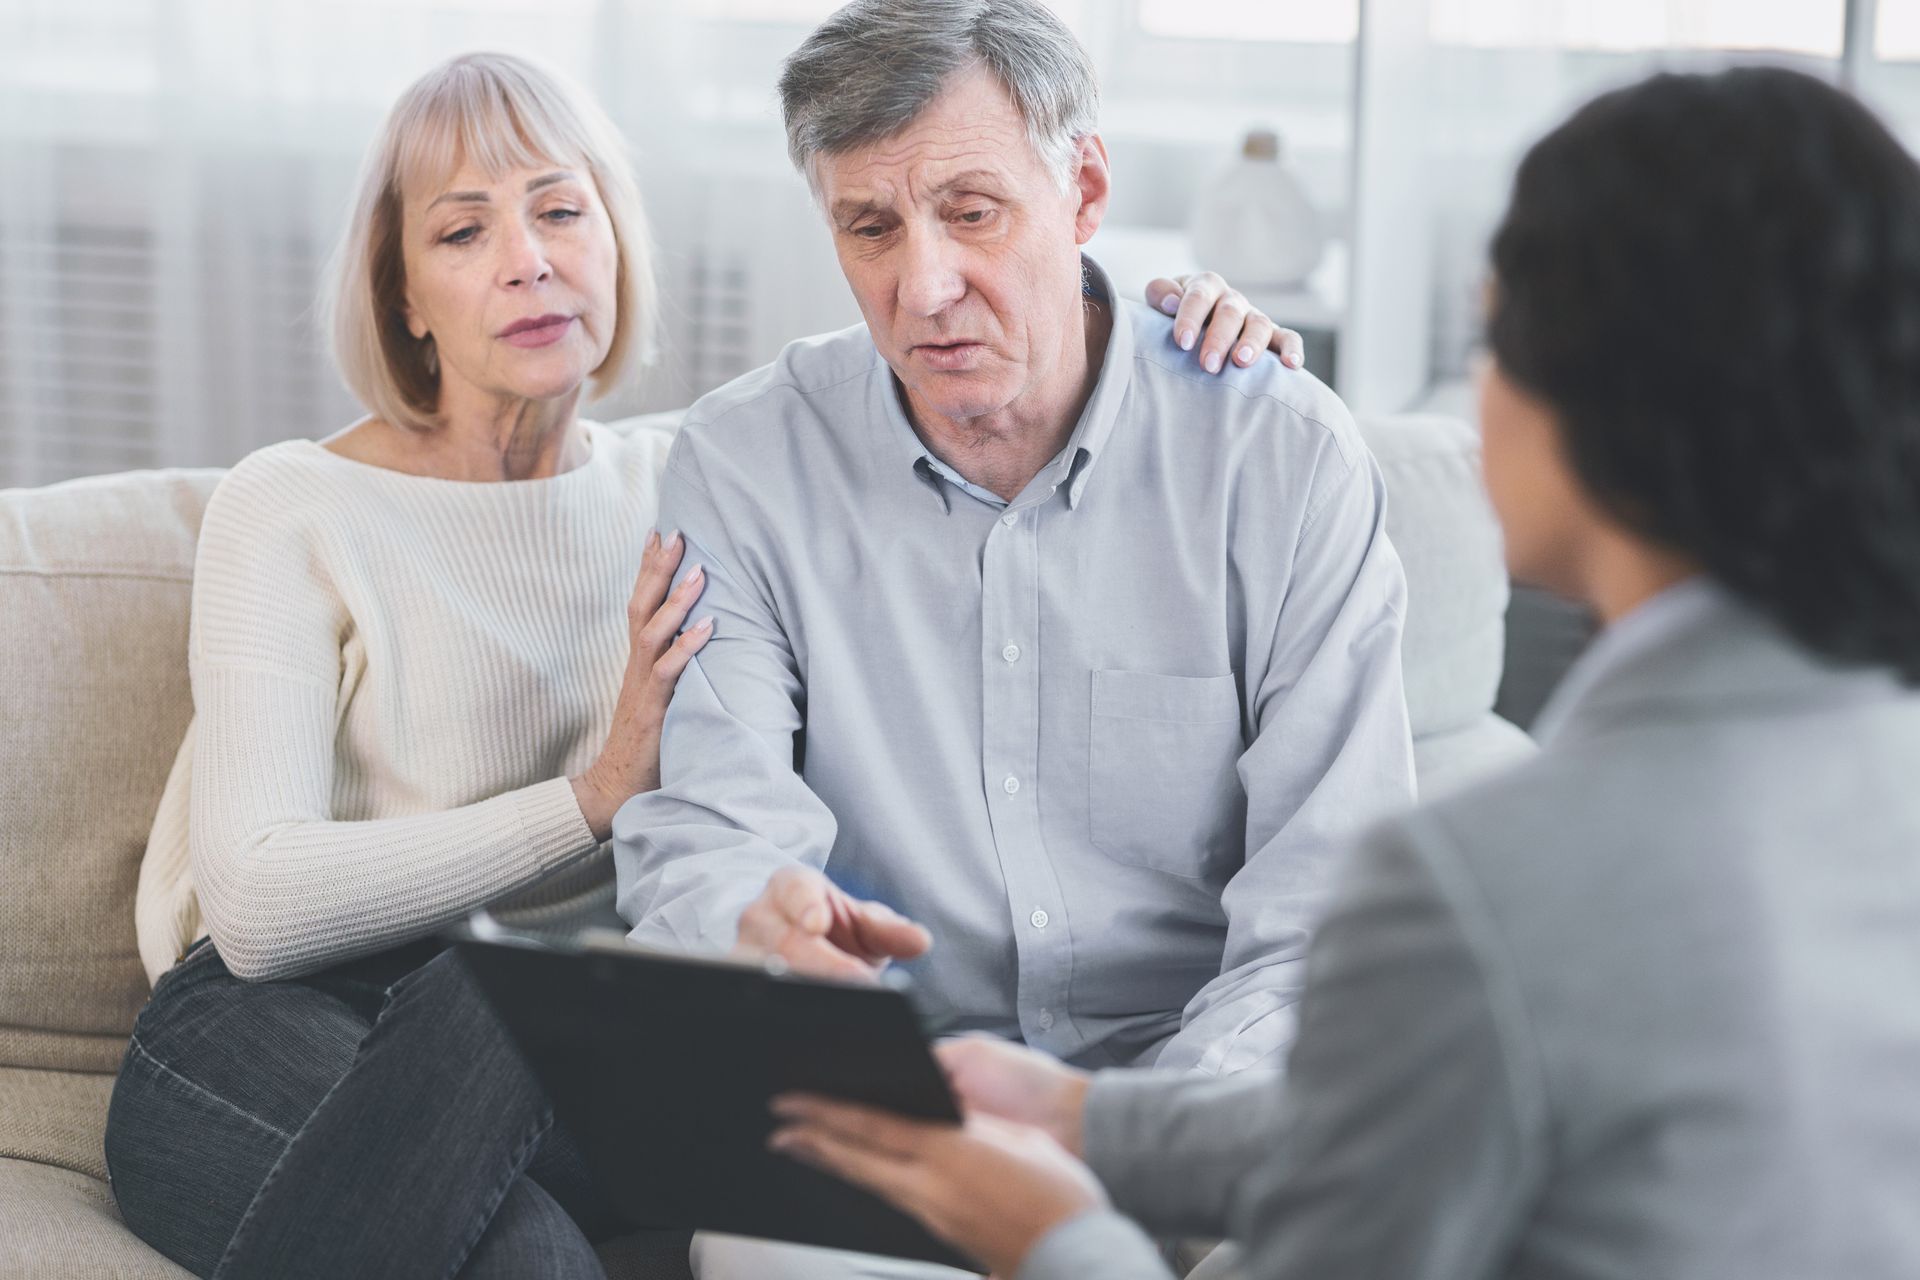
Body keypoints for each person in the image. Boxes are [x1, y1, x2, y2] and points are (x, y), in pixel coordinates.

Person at [101, 48, 1298, 1280]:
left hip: (551, 1046)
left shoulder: (692, 480)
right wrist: (588, 800)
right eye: (464, 232)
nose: (530, 258)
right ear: (402, 291)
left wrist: (1170, 321)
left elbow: (1006, 335)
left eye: (563, 210)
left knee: (544, 1211)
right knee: (515, 1082)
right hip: (273, 1024)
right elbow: (251, 907)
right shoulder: (292, 504)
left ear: (616, 241)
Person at [765, 65, 1920, 1280]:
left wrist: (1046, 1231)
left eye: (1491, 334)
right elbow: (1432, 1122)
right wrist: (1082, 1123)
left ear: (1599, 406)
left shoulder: (1478, 892)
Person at [611, 2, 1415, 1274]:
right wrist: (757, 926)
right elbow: (711, 835)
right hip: (900, 1111)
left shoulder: (1277, 457)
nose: (921, 285)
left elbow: (1326, 919)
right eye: (868, 226)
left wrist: (1116, 1138)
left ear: (1084, 187)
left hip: (1204, 1097)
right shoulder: (744, 465)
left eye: (972, 211)